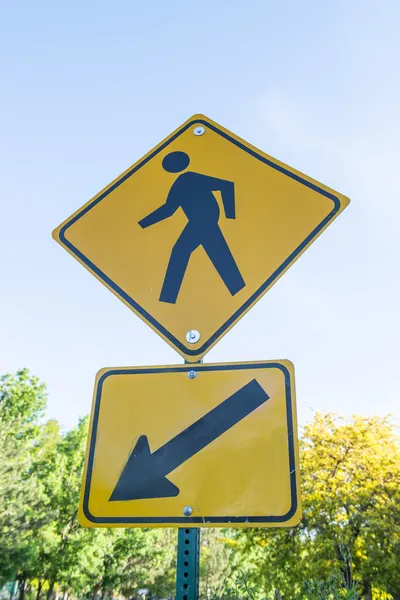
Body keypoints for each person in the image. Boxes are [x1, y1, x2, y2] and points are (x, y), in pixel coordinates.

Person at [139, 151, 245, 304]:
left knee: (181, 251)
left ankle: (168, 299)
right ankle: (237, 287)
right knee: (217, 253)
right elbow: (169, 209)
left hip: (204, 220)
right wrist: (142, 224)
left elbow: (226, 185)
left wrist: (231, 216)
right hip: (201, 221)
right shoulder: (180, 182)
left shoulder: (190, 178)